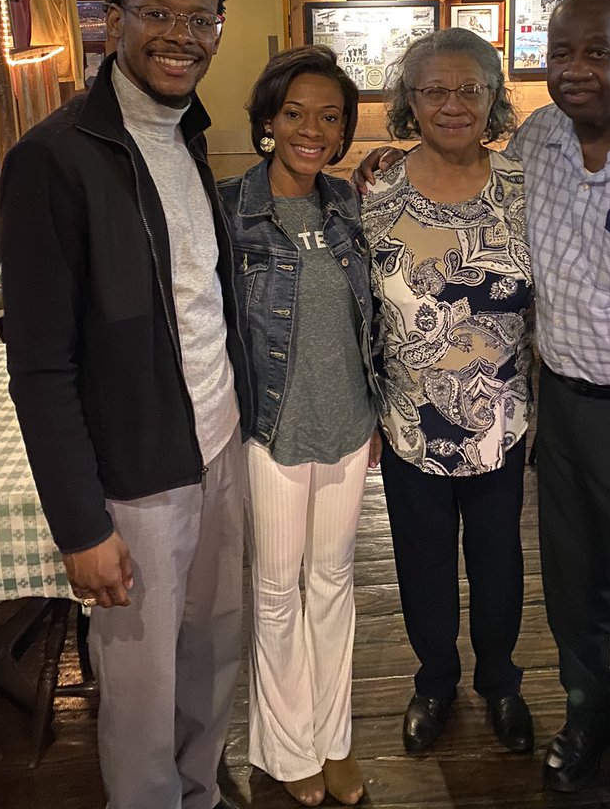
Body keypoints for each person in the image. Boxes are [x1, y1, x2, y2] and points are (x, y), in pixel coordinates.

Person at [356, 0, 610, 809]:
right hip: (560, 411)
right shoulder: (538, 143)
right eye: (561, 53)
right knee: (573, 588)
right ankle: (584, 718)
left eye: (597, 52)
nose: (577, 69)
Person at [0, 0, 253, 809]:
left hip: (219, 445)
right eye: (157, 14)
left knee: (214, 654)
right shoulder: (53, 157)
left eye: (199, 19)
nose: (180, 35)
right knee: (142, 694)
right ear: (116, 22)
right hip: (136, 479)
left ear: (217, 32)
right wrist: (81, 526)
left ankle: (201, 794)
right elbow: (39, 366)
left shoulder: (189, 135)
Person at [360, 28, 535, 758]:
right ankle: (433, 681)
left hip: (501, 420)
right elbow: (359, 310)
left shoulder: (524, 188)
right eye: (434, 89)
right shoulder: (374, 191)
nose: (453, 104)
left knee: (499, 561)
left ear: (494, 98)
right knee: (422, 562)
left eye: (470, 89)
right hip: (409, 422)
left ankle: (501, 681)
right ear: (410, 100)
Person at [219, 46, 379, 809]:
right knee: (278, 593)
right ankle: (286, 750)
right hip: (271, 430)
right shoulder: (230, 209)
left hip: (347, 424)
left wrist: (375, 412)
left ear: (343, 131)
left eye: (329, 117)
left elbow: (367, 318)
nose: (312, 130)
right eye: (295, 114)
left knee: (334, 585)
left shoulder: (347, 204)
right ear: (268, 121)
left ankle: (333, 738)